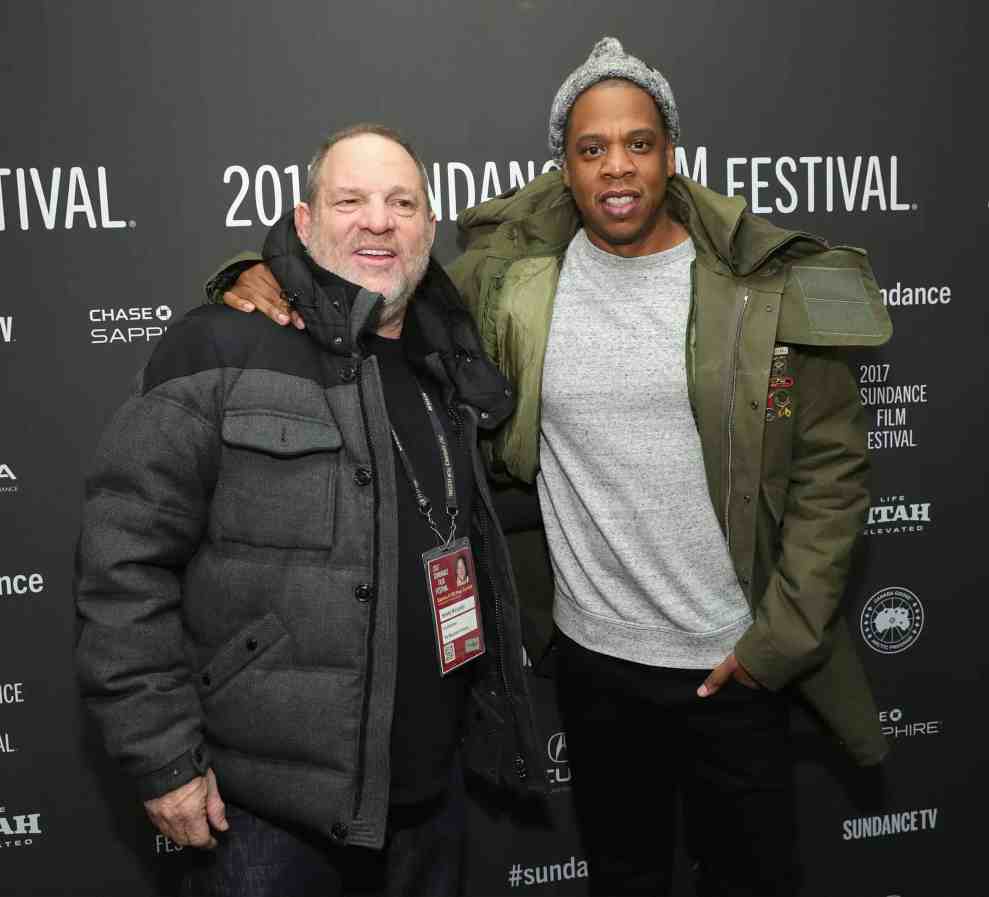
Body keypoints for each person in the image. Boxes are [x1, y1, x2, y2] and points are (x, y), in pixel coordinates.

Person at [210, 38, 893, 897]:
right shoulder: (513, 280)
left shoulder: (757, 281)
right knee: (623, 877)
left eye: (638, 143)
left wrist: (777, 642)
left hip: (736, 666)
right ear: (562, 167)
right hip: (594, 664)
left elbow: (832, 468)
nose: (617, 166)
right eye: (591, 147)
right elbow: (379, 284)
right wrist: (256, 275)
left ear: (671, 153)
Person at [74, 123, 542, 897]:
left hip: (431, 796)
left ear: (429, 225)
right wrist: (162, 757)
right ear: (302, 221)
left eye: (402, 202)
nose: (378, 221)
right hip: (263, 816)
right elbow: (123, 564)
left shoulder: (447, 364)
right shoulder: (218, 347)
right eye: (349, 199)